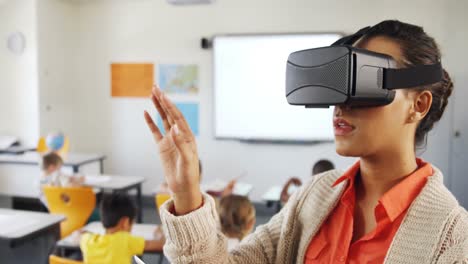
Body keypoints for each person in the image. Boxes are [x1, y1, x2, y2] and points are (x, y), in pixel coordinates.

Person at [143, 20, 468, 263]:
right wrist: (186, 193)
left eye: (363, 81)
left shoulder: (454, 238)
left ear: (419, 105)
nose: (341, 103)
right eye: (339, 83)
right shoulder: (313, 198)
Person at [80, 194, 164, 264]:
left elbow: (82, 234)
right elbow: (161, 245)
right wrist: (160, 233)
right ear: (125, 222)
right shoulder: (126, 240)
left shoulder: (87, 240)